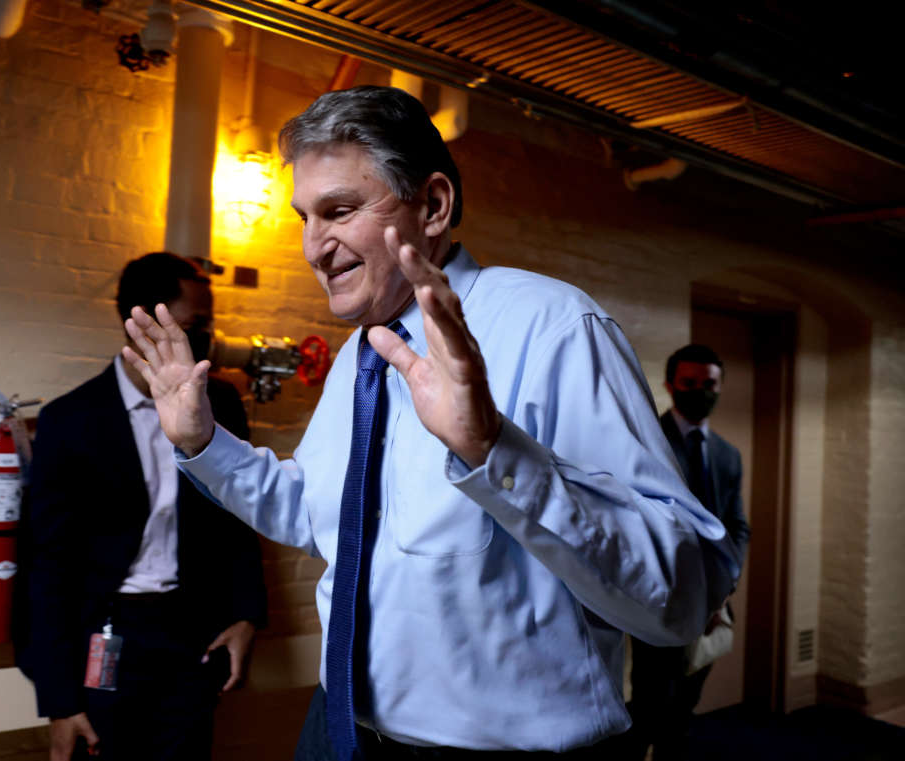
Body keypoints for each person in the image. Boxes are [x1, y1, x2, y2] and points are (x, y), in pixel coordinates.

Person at [122, 86, 741, 758]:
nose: (312, 248)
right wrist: (202, 443)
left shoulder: (555, 326)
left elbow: (681, 597)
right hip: (338, 730)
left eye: (339, 211)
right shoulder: (359, 354)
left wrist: (492, 449)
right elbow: (313, 512)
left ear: (434, 205)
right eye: (304, 217)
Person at [18, 252, 267, 761]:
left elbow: (239, 516)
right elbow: (46, 567)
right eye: (197, 324)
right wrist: (60, 702)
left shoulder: (219, 403)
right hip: (108, 635)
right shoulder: (71, 420)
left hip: (194, 638)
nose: (209, 338)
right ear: (146, 323)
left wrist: (246, 616)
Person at [626, 344, 751, 760]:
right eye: (690, 384)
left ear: (720, 387)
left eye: (709, 384)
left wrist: (724, 588)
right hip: (660, 601)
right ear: (670, 385)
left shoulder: (727, 455)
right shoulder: (645, 444)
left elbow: (736, 526)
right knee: (648, 708)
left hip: (714, 603)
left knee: (683, 710)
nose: (701, 391)